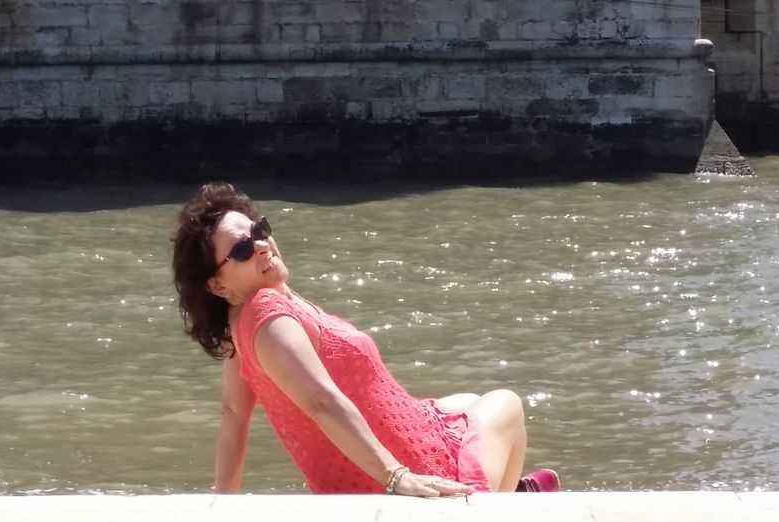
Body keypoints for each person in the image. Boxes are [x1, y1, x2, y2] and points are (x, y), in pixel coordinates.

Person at [171, 182, 560, 497]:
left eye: (259, 231)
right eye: (242, 249)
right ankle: (496, 510)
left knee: (467, 402)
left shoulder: (243, 320)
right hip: (395, 470)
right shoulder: (267, 314)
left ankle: (508, 493)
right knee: (506, 404)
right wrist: (396, 476)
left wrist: (223, 505)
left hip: (384, 448)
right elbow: (321, 402)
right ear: (217, 285)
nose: (260, 245)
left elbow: (233, 413)